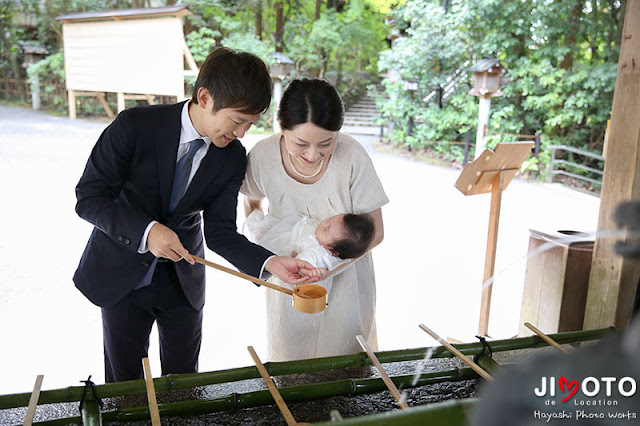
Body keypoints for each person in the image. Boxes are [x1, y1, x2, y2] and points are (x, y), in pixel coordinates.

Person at [73, 48, 322, 383]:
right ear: (205, 97)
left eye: (251, 123)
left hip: (184, 279)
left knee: (185, 382)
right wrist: (148, 232)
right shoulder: (135, 125)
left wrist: (270, 262)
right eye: (237, 120)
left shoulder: (232, 157)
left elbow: (219, 230)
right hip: (123, 276)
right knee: (125, 384)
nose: (242, 133)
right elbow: (89, 197)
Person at [241, 77, 388, 361]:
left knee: (345, 359)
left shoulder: (352, 155)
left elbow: (377, 231)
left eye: (326, 143)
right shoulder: (263, 155)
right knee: (290, 357)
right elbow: (251, 199)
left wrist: (327, 265)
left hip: (346, 274)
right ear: (281, 125)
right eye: (300, 143)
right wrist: (265, 245)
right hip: (288, 276)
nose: (312, 154)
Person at [244, 211, 375, 270]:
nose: (324, 222)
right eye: (331, 218)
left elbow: (303, 265)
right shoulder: (328, 238)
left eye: (326, 229)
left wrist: (299, 261)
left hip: (285, 242)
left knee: (263, 235)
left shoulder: (317, 254)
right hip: (290, 228)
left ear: (332, 251)